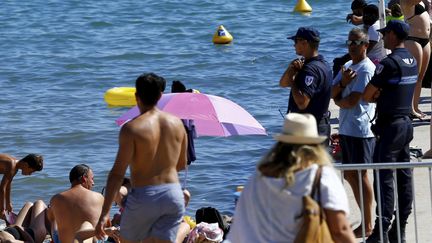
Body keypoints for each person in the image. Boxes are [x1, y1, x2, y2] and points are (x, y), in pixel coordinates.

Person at [226, 113, 355, 243]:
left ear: (281, 145)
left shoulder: (259, 177)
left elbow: (240, 226)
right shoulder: (320, 176)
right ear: (315, 147)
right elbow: (340, 230)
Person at [95, 73, 188, 243]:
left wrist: (104, 213)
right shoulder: (177, 124)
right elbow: (181, 164)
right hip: (173, 195)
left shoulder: (132, 128)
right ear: (160, 96)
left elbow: (117, 173)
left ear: (136, 96)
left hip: (145, 196)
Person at [363, 20, 417, 243]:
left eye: (386, 33)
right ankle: (400, 229)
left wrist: (379, 94)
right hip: (405, 124)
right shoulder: (411, 59)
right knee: (404, 176)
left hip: (391, 126)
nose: (383, 37)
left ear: (394, 35)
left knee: (383, 177)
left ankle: (382, 229)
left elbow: (367, 94)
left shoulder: (389, 63)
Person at [332, 27, 376, 238]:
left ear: (366, 46)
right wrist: (342, 83)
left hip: (361, 129)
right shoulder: (347, 66)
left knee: (362, 175)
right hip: (347, 128)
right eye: (349, 42)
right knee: (350, 174)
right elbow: (332, 92)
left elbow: (350, 101)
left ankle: (368, 223)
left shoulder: (366, 69)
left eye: (356, 43)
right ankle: (364, 219)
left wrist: (340, 98)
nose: (351, 46)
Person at [279, 27, 332, 145]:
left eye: (295, 42)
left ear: (304, 43)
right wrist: (291, 69)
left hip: (309, 129)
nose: (294, 45)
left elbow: (302, 103)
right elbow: (282, 83)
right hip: (319, 126)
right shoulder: (323, 64)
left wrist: (293, 81)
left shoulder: (310, 69)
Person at [47, 164, 105, 243]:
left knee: (53, 219)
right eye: (92, 179)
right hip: (90, 241)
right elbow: (106, 223)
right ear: (84, 178)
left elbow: (50, 219)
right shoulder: (99, 197)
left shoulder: (56, 198)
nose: (93, 183)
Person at [401, 0, 431, 119]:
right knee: (413, 76)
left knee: (420, 78)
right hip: (413, 39)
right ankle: (410, 109)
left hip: (425, 40)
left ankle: (415, 107)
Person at [0, 153, 43, 219]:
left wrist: (8, 204)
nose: (30, 174)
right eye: (31, 171)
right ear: (26, 164)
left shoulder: (14, 167)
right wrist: (2, 209)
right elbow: (2, 188)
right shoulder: (11, 165)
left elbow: (8, 185)